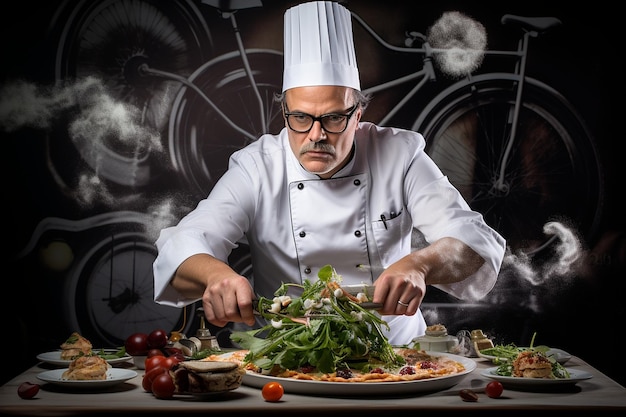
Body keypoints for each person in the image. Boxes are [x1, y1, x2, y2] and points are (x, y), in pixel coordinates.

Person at [152, 1, 506, 345]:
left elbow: (473, 240)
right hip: (285, 357)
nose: (316, 135)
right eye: (301, 118)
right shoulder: (257, 166)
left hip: (396, 357)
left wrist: (420, 265)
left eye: (334, 118)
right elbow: (185, 241)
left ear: (358, 115)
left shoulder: (400, 155)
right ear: (285, 113)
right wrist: (216, 275)